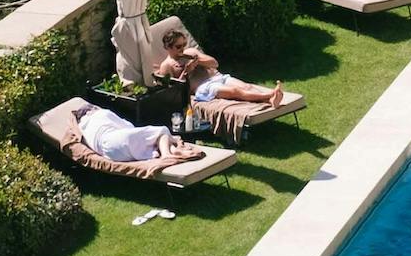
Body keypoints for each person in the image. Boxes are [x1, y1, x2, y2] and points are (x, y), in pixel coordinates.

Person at [154, 28, 284, 108]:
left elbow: (215, 64)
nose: (182, 48)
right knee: (235, 91)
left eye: (184, 44)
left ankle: (270, 99)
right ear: (168, 47)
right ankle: (271, 94)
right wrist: (187, 72)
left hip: (217, 77)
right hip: (203, 88)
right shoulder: (167, 65)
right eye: (178, 46)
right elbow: (173, 92)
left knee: (246, 86)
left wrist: (198, 61)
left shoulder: (192, 52)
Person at [76, 103, 181, 163]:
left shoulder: (82, 128)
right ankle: (167, 153)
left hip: (111, 154)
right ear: (91, 110)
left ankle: (173, 148)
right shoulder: (101, 114)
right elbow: (129, 127)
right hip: (117, 140)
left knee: (153, 139)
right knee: (162, 130)